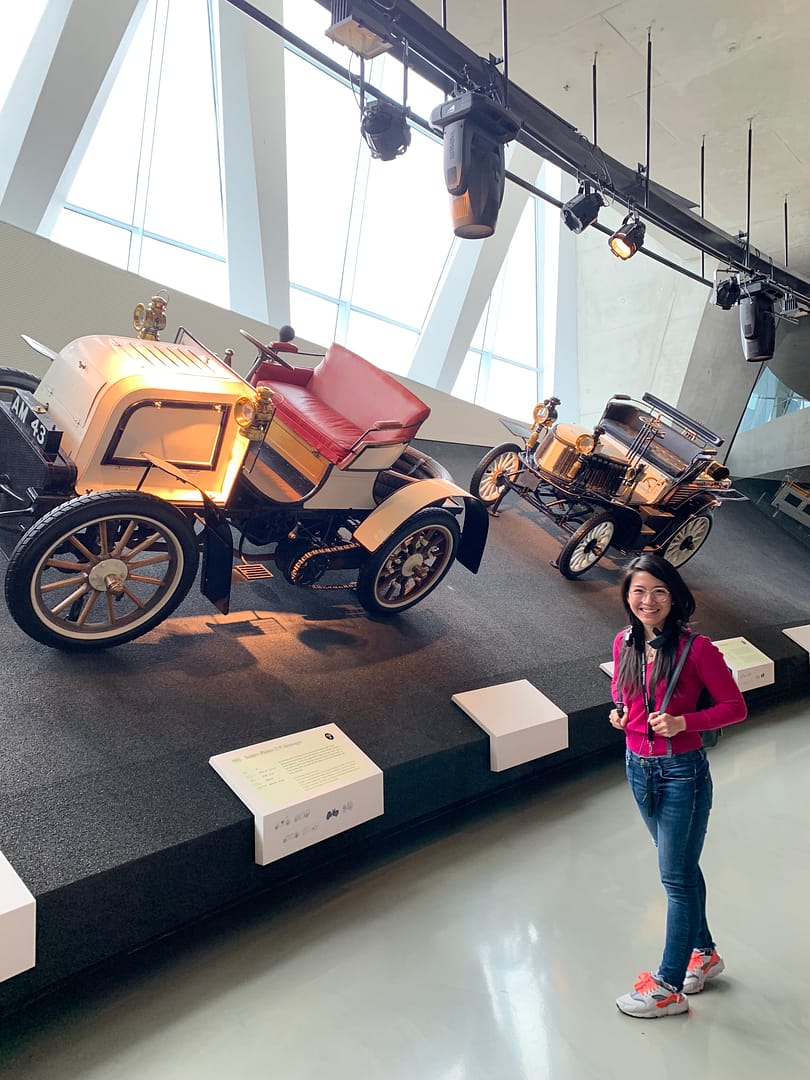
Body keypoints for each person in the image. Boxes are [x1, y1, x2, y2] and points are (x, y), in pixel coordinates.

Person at [609, 553, 747, 1019]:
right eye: (639, 591)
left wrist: (684, 722)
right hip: (637, 767)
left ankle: (668, 986)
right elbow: (622, 692)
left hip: (681, 772)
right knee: (682, 869)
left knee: (675, 876)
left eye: (659, 592)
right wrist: (620, 714)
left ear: (674, 598)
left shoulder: (698, 649)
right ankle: (703, 953)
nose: (648, 601)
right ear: (627, 596)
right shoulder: (624, 642)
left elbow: (735, 707)